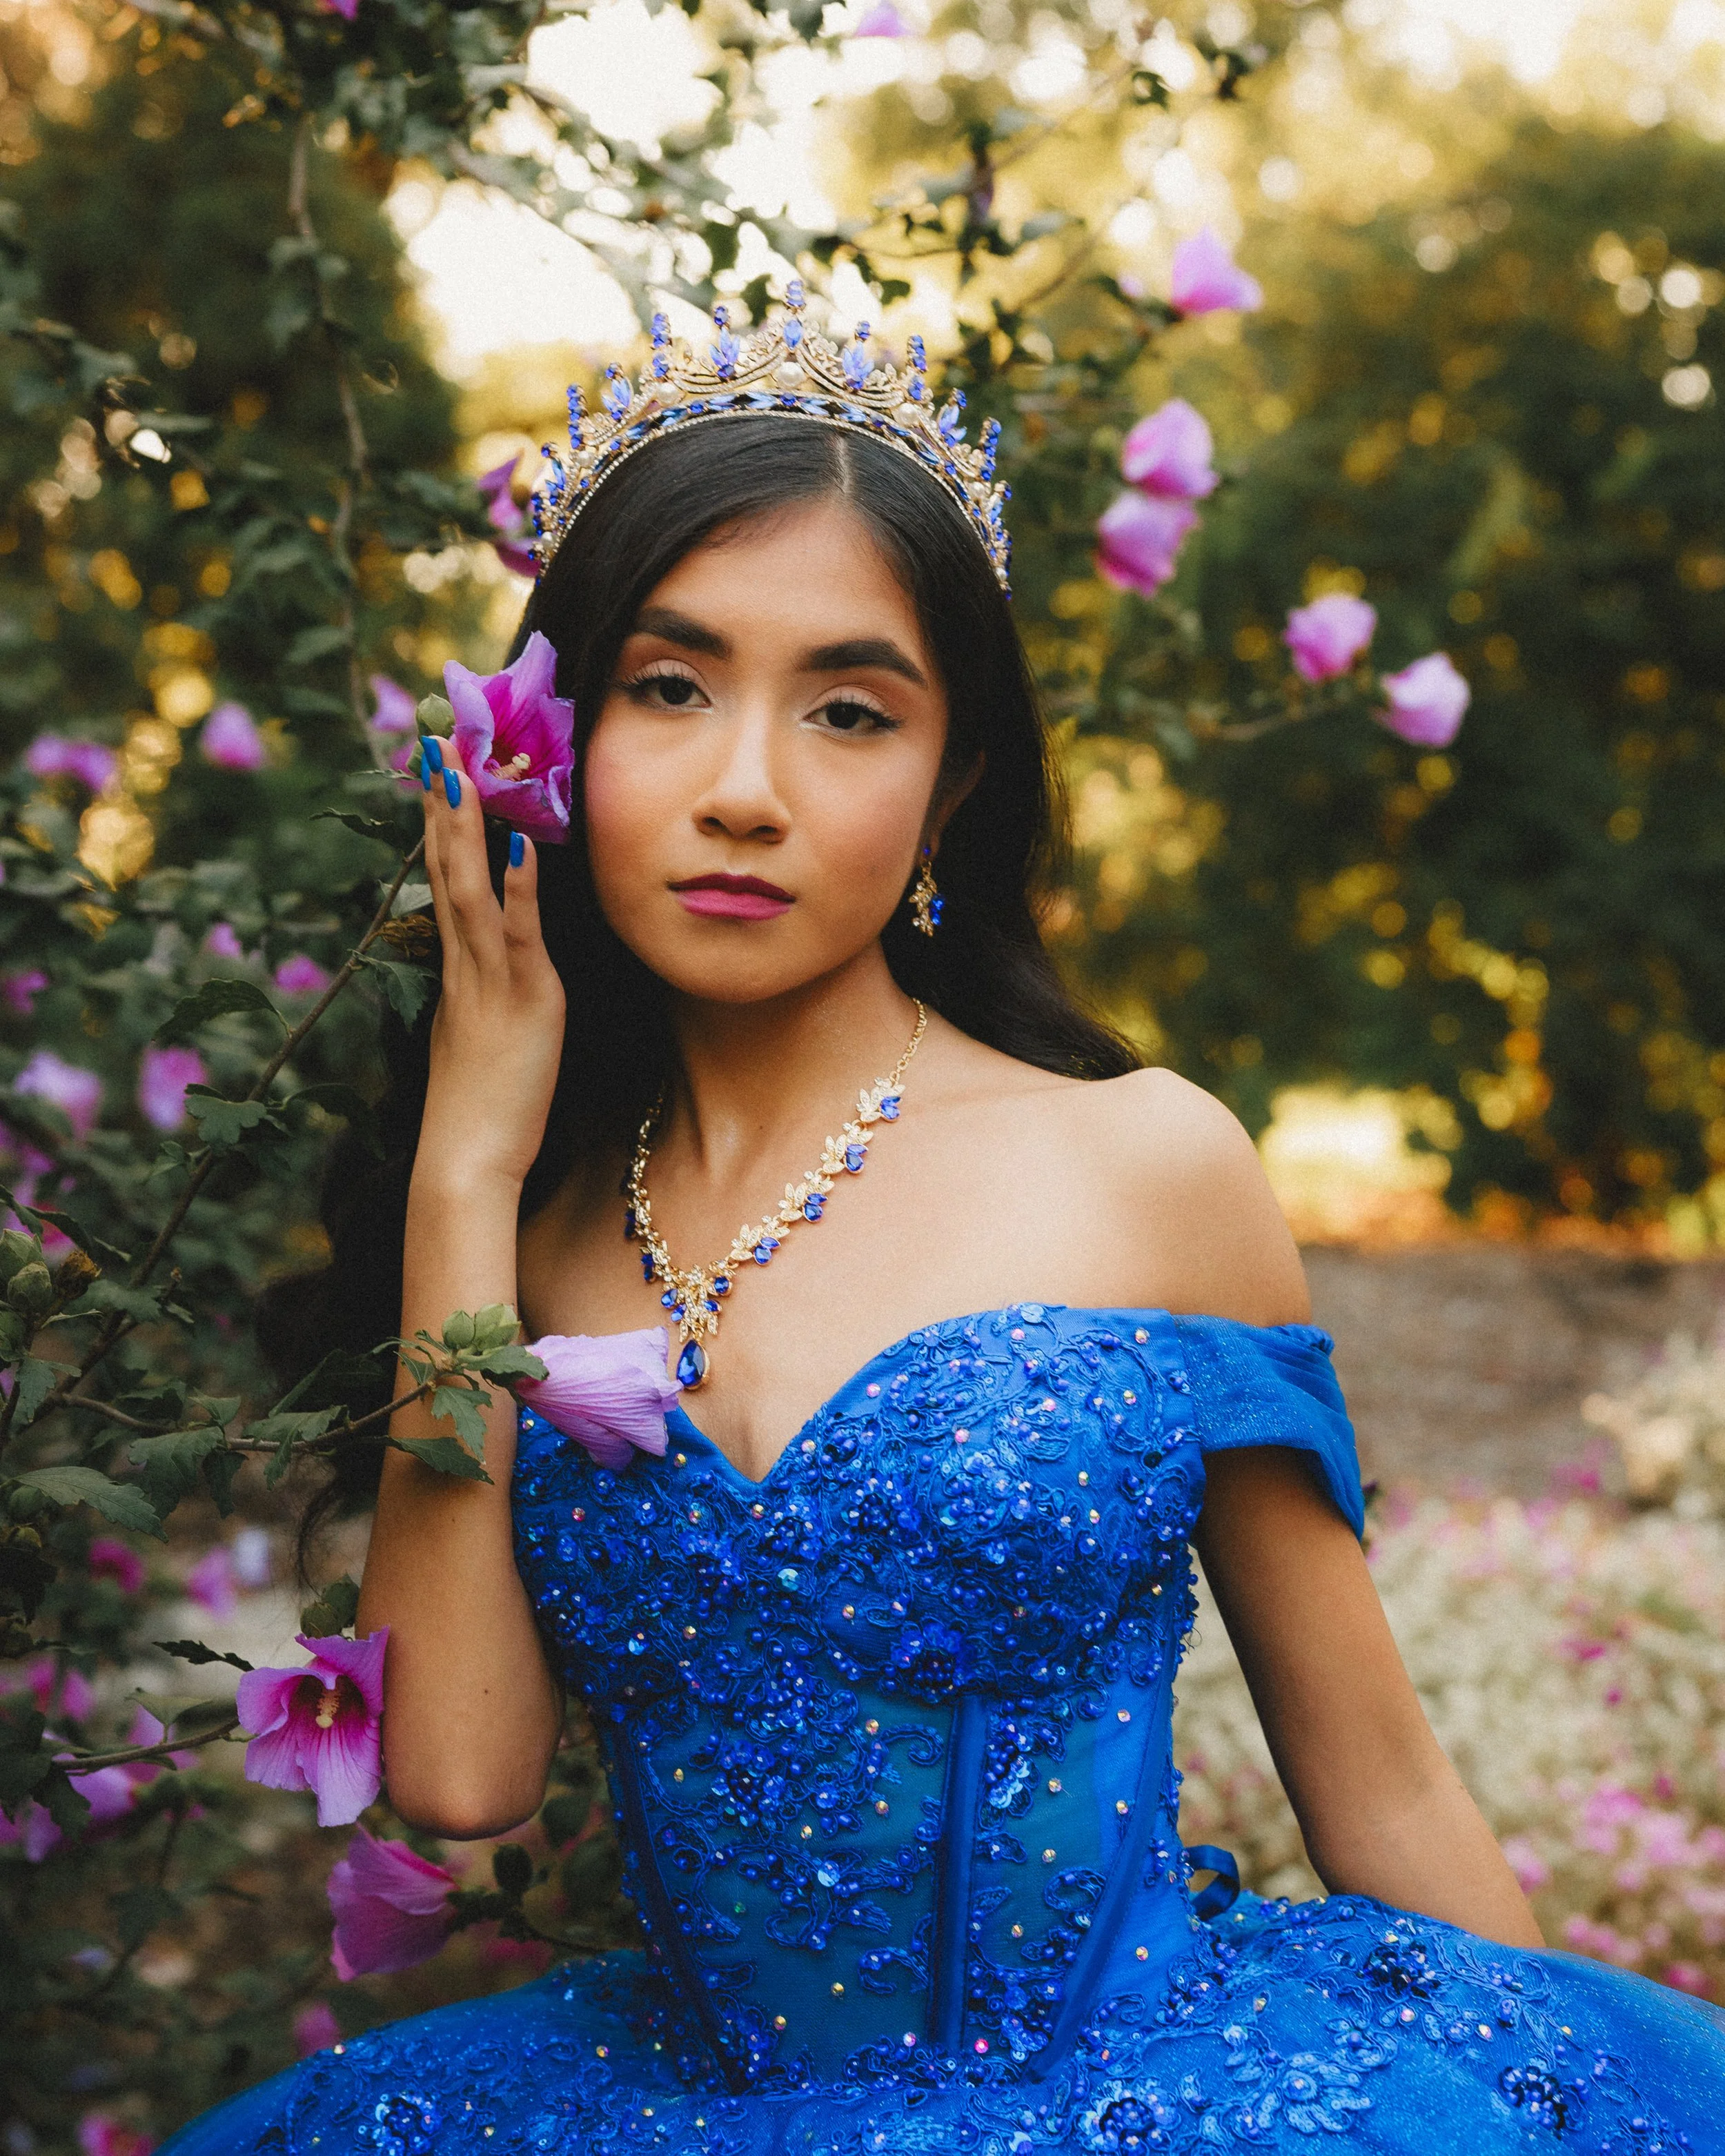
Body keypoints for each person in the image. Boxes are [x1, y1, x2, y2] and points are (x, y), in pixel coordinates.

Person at [161, 303, 1725, 2155]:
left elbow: (1376, 1784)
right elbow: (459, 1777)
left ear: (948, 784)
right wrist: (462, 1171)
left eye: (846, 708)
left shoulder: (1144, 1165)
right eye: (671, 686)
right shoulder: (533, 1221)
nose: (746, 783)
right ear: (560, 740)